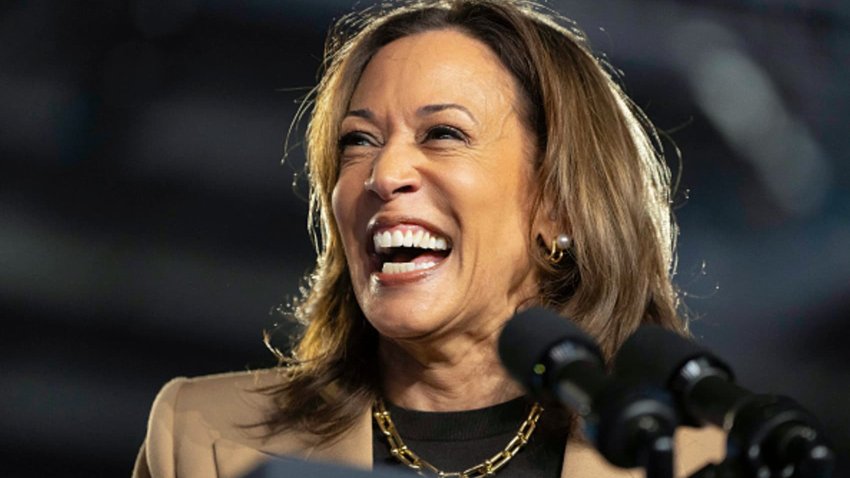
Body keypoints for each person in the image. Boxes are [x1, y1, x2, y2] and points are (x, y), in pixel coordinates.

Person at [133, 1, 725, 477]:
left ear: (558, 204)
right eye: (357, 141)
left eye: (442, 133)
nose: (383, 175)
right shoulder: (204, 440)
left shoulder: (699, 461)